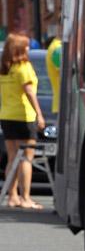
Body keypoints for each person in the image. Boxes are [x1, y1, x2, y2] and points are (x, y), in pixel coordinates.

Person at [0, 33, 45, 209]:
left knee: (12, 157)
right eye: (25, 46)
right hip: (24, 116)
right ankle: (25, 198)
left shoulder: (5, 69)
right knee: (27, 157)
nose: (28, 48)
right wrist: (39, 114)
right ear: (19, 49)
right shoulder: (23, 67)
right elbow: (29, 92)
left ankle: (12, 196)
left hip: (6, 116)